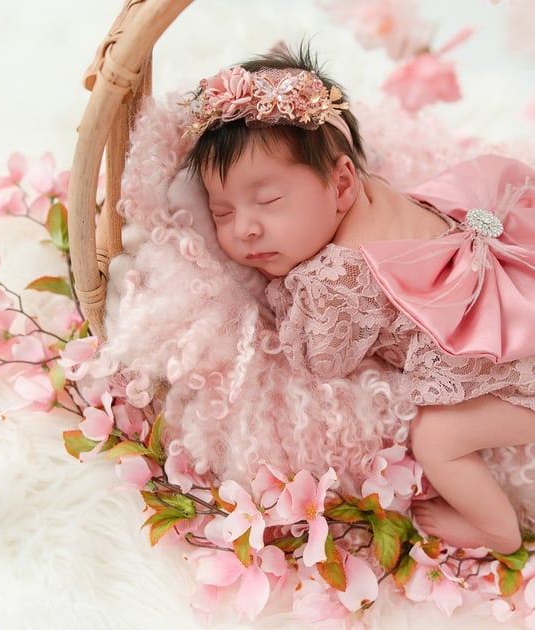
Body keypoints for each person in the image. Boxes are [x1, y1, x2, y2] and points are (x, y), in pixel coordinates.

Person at [183, 44, 535, 554]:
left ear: (342, 183)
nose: (246, 230)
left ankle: (497, 529)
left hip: (519, 383)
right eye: (222, 212)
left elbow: (321, 360)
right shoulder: (375, 195)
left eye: (269, 201)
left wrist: (285, 291)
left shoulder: (337, 277)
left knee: (437, 437)